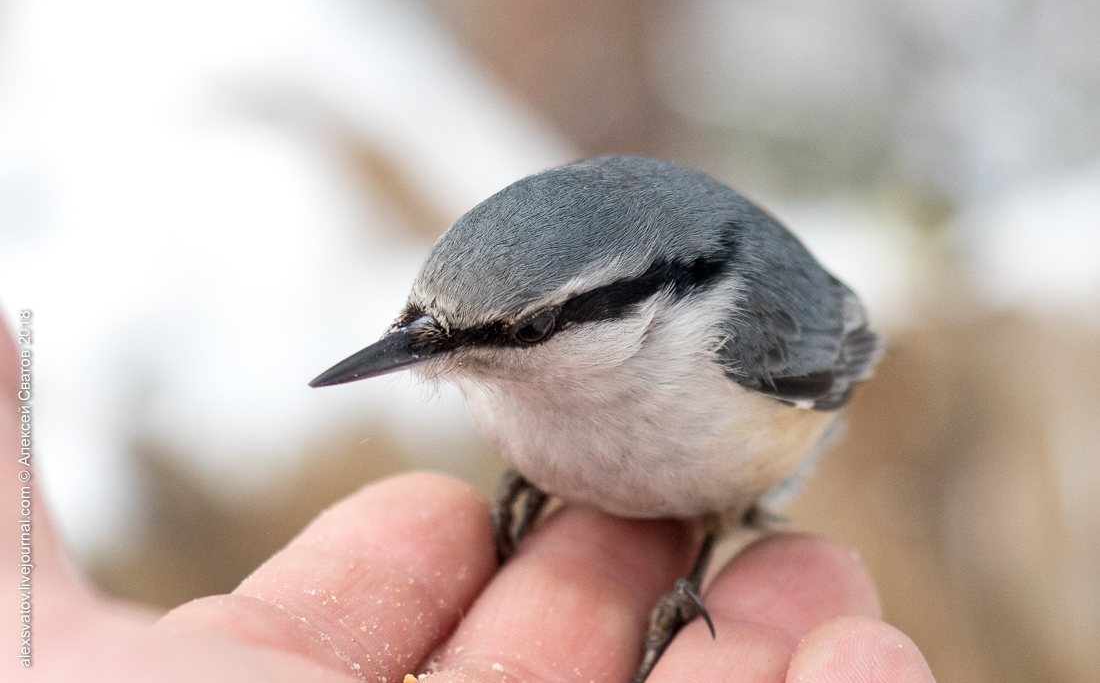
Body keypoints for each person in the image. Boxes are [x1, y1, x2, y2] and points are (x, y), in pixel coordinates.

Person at [0, 318, 935, 681]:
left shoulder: (739, 339)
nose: (424, 361)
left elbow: (851, 342)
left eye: (513, 330)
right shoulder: (519, 400)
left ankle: (687, 572)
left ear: (633, 318)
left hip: (718, 462)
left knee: (714, 532)